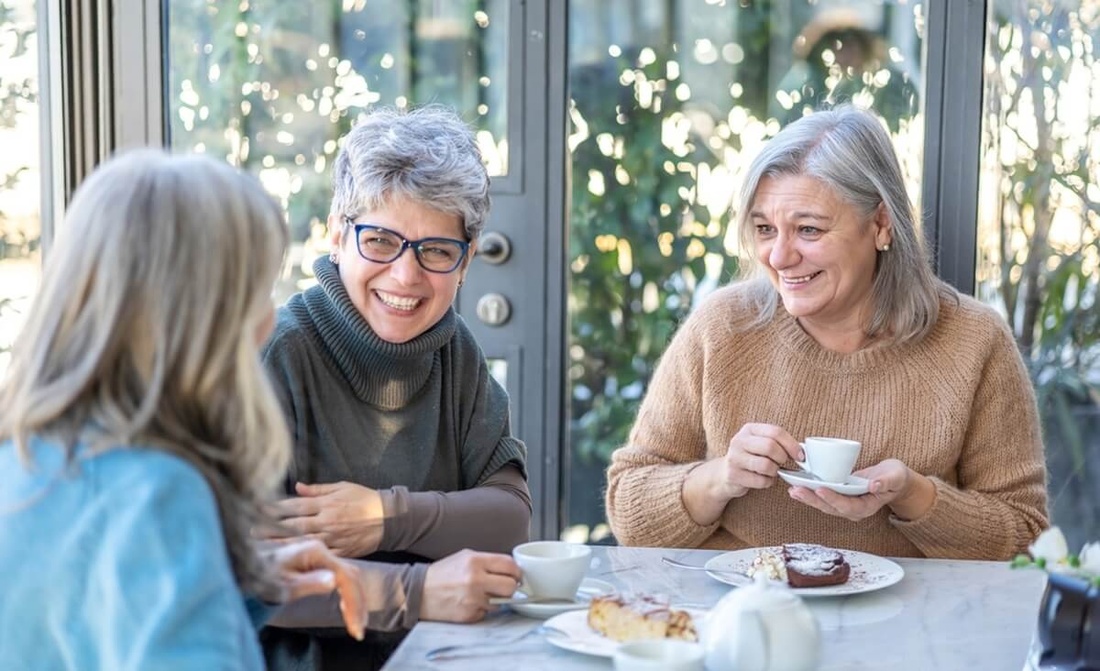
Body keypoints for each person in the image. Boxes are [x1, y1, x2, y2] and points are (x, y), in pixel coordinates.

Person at [605, 105, 1049, 560]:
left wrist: (916, 497)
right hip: (741, 616)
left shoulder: (973, 341)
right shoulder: (722, 328)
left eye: (808, 229)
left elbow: (1026, 535)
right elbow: (628, 507)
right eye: (764, 229)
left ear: (880, 224)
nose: (778, 256)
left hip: (909, 624)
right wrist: (720, 478)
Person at [0, 151, 371, 669]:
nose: (269, 319)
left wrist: (232, 583)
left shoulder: (23, 454)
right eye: (256, 294)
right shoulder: (156, 495)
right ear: (201, 321)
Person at [259, 105, 531, 669]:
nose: (406, 277)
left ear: (467, 260)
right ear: (337, 235)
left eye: (435, 251)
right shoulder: (281, 353)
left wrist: (386, 515)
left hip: (447, 654)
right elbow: (255, 575)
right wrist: (420, 589)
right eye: (380, 241)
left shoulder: (454, 350)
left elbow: (508, 518)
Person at [770, 11, 920, 131]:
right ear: (821, 50)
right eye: (835, 45)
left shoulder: (885, 83)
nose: (843, 53)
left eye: (850, 44)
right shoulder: (805, 83)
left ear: (864, 47)